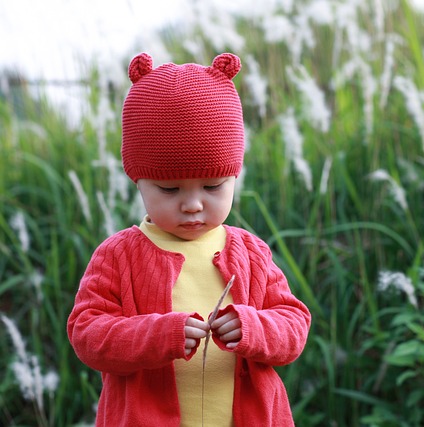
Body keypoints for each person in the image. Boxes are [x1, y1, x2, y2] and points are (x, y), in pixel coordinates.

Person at [67, 52, 312, 427]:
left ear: (234, 177)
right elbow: (87, 332)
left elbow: (293, 325)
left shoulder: (250, 252)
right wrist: (158, 334)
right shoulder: (119, 255)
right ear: (138, 180)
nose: (193, 204)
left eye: (213, 185)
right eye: (169, 189)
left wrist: (251, 326)